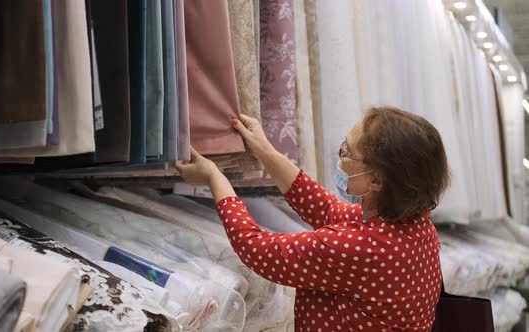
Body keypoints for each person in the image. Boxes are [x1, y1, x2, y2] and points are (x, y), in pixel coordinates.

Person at [175, 107, 449, 331]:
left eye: (347, 152)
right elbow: (326, 210)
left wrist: (215, 178)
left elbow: (256, 250)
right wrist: (265, 152)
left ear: (377, 179)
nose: (340, 159)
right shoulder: (414, 225)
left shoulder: (359, 247)